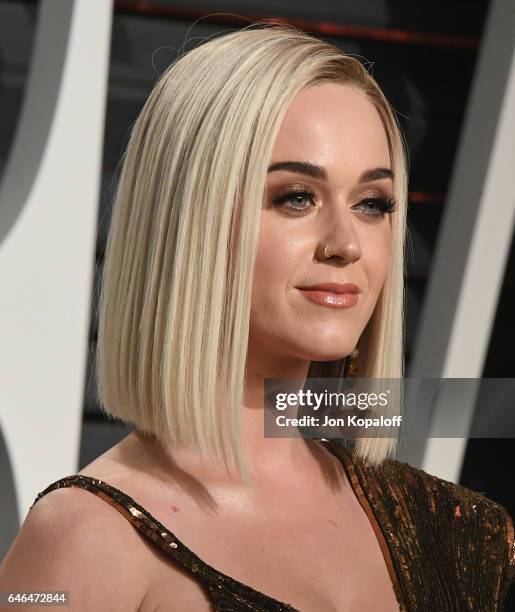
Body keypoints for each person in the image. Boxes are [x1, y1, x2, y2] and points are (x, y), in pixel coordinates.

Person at [1, 24, 513, 612]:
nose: (346, 244)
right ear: (188, 221)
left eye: (372, 204)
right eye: (296, 197)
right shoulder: (84, 541)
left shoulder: (461, 530)